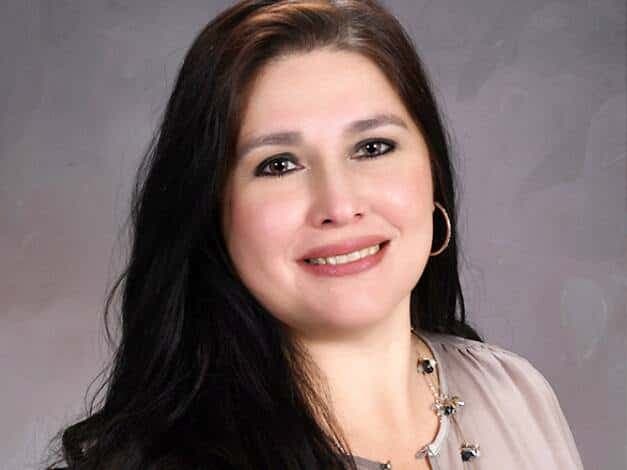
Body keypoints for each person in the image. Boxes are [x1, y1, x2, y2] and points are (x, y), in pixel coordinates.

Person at [45, 1, 585, 469]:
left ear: (432, 172)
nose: (339, 206)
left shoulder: (516, 394)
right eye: (279, 164)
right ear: (210, 210)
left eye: (372, 148)